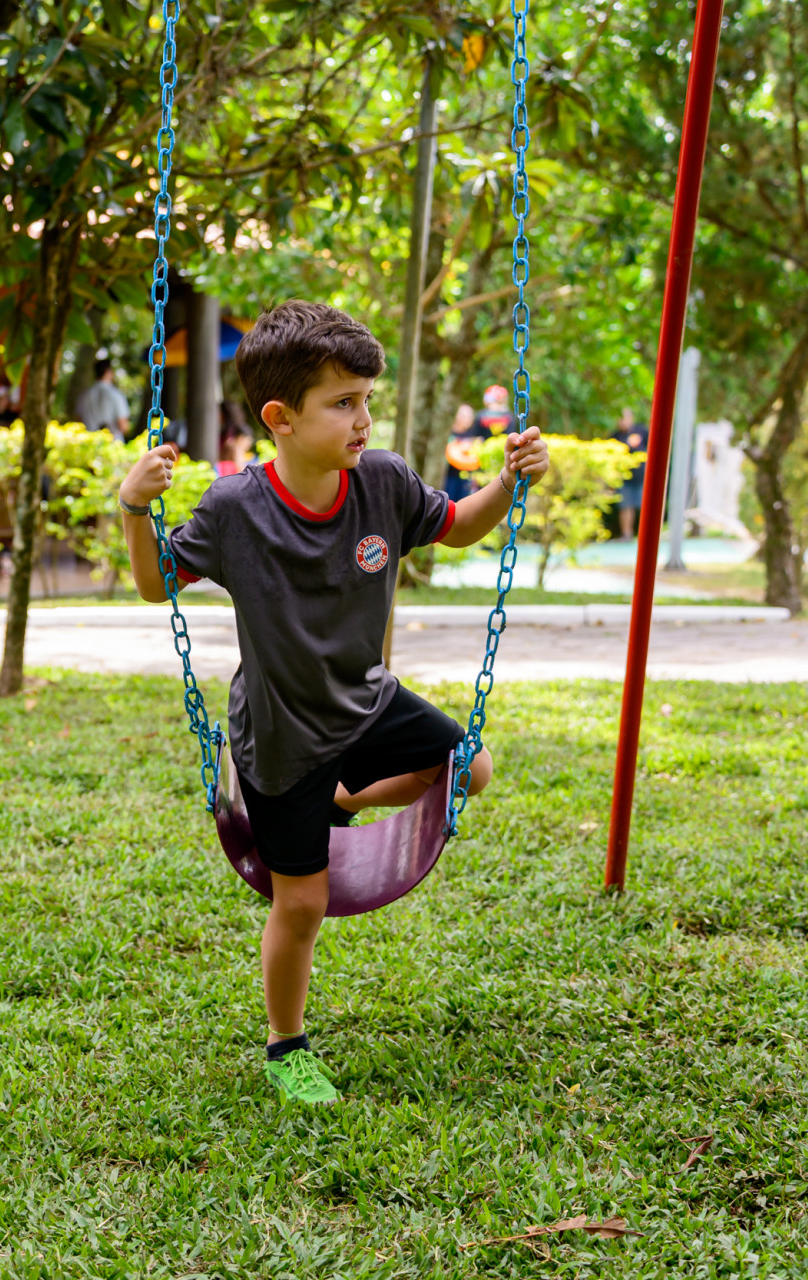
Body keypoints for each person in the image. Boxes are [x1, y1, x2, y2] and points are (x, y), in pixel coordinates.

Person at [115, 301, 550, 1104]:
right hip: (281, 734)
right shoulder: (236, 509)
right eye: (343, 403)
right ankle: (287, 1045)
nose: (363, 420)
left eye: (366, 400)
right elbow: (155, 584)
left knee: (471, 768)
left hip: (366, 700)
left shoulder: (382, 481)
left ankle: (345, 797)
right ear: (280, 419)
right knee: (303, 901)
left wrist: (506, 481)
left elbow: (458, 526)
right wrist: (135, 507)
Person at [611, 407, 648, 538]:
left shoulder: (641, 431)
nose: (622, 421)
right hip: (624, 478)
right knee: (625, 506)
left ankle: (646, 533)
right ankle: (627, 533)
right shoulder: (615, 436)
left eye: (625, 418)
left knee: (644, 506)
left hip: (641, 477)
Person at [442, 402, 490, 501]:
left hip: (468, 480)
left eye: (470, 416)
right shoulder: (447, 434)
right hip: (449, 478)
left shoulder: (475, 435)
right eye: (464, 416)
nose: (467, 419)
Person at [75, 357, 131, 438]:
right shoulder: (116, 394)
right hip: (112, 443)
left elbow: (78, 422)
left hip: (88, 442)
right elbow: (123, 426)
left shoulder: (83, 395)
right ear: (108, 372)